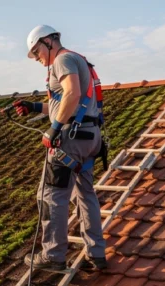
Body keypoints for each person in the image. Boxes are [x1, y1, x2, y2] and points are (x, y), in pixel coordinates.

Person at [12, 24, 108, 272]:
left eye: (37, 52)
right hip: (89, 137)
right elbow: (66, 102)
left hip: (70, 140)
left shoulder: (62, 60)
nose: (37, 59)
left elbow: (72, 95)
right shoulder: (79, 60)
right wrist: (34, 107)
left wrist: (54, 129)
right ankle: (96, 253)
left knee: (50, 195)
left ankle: (53, 254)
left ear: (47, 42)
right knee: (85, 195)